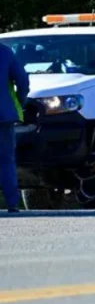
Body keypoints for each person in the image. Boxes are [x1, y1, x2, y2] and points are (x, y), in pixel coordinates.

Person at [2, 42, 30, 213]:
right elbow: (22, 81)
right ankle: (12, 203)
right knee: (5, 161)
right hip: (3, 115)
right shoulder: (5, 51)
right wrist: (19, 102)